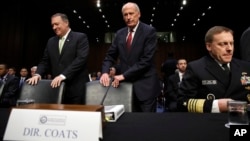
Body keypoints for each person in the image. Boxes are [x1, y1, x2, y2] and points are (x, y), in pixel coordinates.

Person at [99, 2, 161, 112]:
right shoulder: (120, 34)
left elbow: (146, 60)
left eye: (131, 13)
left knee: (146, 124)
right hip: (125, 89)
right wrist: (104, 72)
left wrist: (123, 75)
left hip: (145, 88)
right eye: (125, 15)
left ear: (139, 14)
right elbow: (110, 55)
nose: (128, 17)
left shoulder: (149, 31)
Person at [177, 26, 250, 113]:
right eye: (223, 44)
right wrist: (217, 105)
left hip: (241, 121)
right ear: (209, 46)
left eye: (231, 43)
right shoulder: (196, 68)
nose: (229, 49)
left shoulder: (245, 66)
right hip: (211, 122)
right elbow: (182, 103)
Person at [27, 13, 89, 104]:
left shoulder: (80, 37)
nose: (54, 27)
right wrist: (37, 74)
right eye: (52, 25)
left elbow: (81, 59)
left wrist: (62, 75)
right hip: (57, 88)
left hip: (76, 90)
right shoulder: (51, 41)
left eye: (57, 24)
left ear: (66, 23)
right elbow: (45, 61)